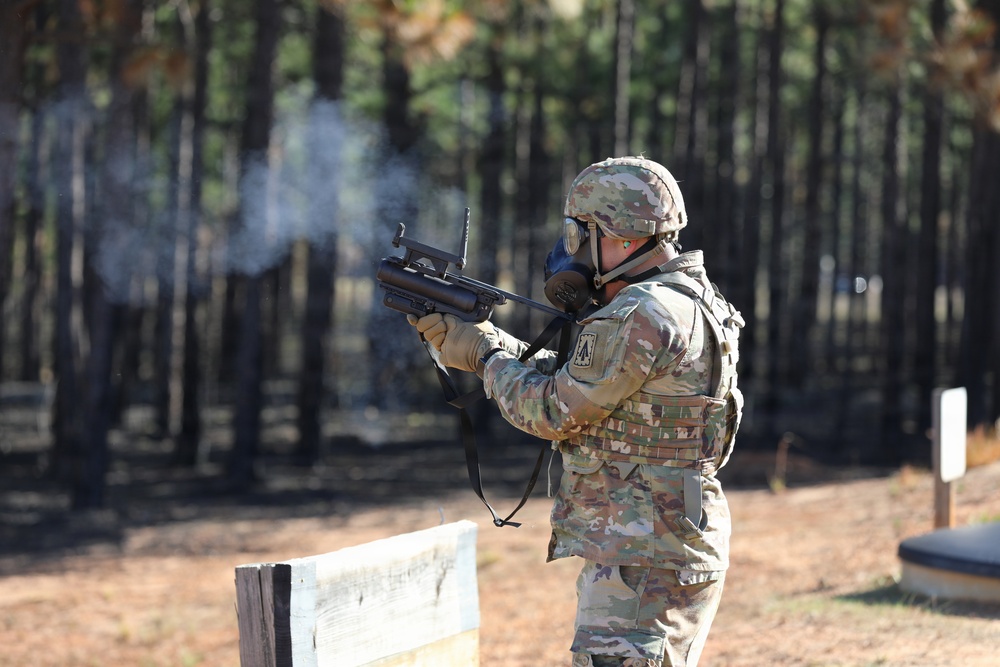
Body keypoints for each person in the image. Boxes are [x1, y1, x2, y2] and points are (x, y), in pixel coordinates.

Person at [409, 156, 744, 667]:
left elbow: (552, 412)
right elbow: (598, 389)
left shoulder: (641, 312)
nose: (574, 250)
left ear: (624, 238)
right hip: (662, 543)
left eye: (582, 234)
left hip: (643, 556)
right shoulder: (689, 299)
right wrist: (497, 343)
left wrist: (483, 356)